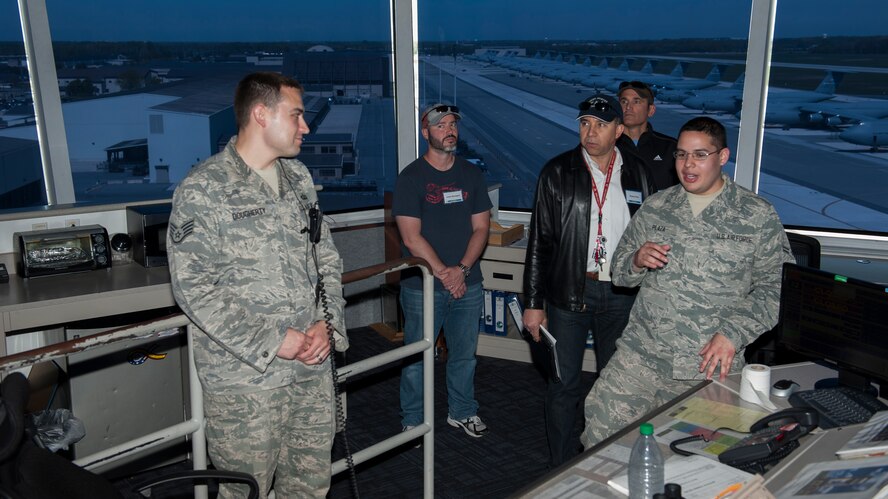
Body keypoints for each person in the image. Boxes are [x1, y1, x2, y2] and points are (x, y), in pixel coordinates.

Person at [168, 72, 346, 498]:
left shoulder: (299, 179)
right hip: (247, 383)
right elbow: (194, 289)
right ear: (261, 114)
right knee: (244, 491)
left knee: (309, 486)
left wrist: (328, 323)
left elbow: (327, 259)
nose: (306, 126)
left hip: (310, 370)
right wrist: (271, 340)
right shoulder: (203, 189)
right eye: (297, 115)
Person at [581, 116, 795, 448]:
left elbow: (778, 287)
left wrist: (733, 333)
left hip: (706, 366)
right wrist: (636, 259)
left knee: (694, 456)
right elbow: (620, 272)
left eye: (699, 155)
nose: (688, 165)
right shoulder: (657, 207)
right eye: (681, 155)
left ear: (722, 157)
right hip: (641, 356)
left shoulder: (755, 215)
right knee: (601, 438)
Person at [522, 93, 656, 467]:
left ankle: (611, 459)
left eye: (600, 124)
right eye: (584, 123)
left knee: (618, 384)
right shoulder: (557, 172)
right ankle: (562, 466)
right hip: (569, 293)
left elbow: (651, 235)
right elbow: (539, 244)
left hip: (621, 293)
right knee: (563, 385)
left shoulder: (638, 172)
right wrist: (534, 304)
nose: (590, 131)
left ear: (618, 130)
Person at [393, 103, 492, 438]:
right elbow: (410, 236)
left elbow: (481, 229)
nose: (449, 130)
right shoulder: (410, 178)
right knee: (417, 358)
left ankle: (462, 412)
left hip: (468, 282)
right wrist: (445, 272)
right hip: (423, 285)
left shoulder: (471, 174)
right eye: (440, 126)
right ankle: (412, 421)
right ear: (426, 133)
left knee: (464, 356)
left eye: (453, 125)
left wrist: (461, 270)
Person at [616, 80, 679, 190]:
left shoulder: (670, 148)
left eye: (636, 101)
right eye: (624, 101)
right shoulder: (607, 146)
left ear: (651, 110)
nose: (628, 107)